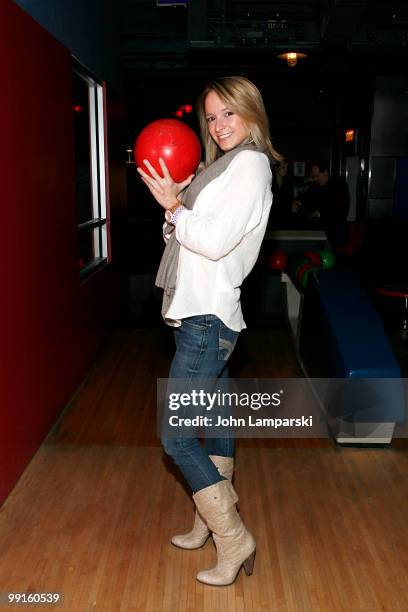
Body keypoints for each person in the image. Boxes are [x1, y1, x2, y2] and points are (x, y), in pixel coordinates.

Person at [137, 76, 282, 586]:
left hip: (206, 319)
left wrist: (175, 207)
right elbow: (184, 235)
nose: (219, 124)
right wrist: (177, 205)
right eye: (212, 115)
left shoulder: (251, 165)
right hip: (203, 314)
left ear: (251, 113)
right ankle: (206, 522)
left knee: (175, 436)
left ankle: (233, 536)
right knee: (215, 425)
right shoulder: (220, 169)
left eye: (229, 113)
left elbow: (216, 241)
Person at [292, 160, 350, 249]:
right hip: (318, 233)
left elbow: (341, 210)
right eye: (314, 176)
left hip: (335, 233)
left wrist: (320, 213)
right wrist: (298, 202)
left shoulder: (339, 185)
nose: (315, 179)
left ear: (325, 172)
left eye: (317, 176)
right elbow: (306, 197)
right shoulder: (316, 186)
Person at [269, 158, 294, 227]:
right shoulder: (270, 184)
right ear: (276, 168)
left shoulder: (288, 184)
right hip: (272, 220)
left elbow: (290, 201)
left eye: (287, 167)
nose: (286, 170)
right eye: (283, 167)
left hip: (286, 220)